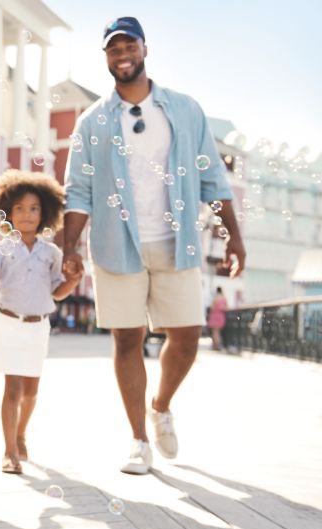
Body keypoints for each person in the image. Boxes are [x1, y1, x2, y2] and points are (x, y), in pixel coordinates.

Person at [62, 17, 246, 475]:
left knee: (186, 338)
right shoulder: (92, 121)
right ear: (105, 57)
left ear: (145, 49)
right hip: (115, 243)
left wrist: (233, 238)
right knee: (127, 339)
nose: (121, 54)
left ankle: (160, 405)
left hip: (176, 239)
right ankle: (138, 441)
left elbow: (211, 178)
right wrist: (68, 247)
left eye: (129, 45)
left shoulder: (184, 110)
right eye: (112, 48)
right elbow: (78, 191)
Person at [0, 170, 82, 474]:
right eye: (20, 208)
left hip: (38, 326)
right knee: (12, 389)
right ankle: (9, 450)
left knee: (30, 392)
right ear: (7, 212)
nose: (27, 215)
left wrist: (73, 282)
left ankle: (21, 432)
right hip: (9, 324)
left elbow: (58, 291)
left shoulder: (52, 253)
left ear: (45, 213)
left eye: (34, 208)